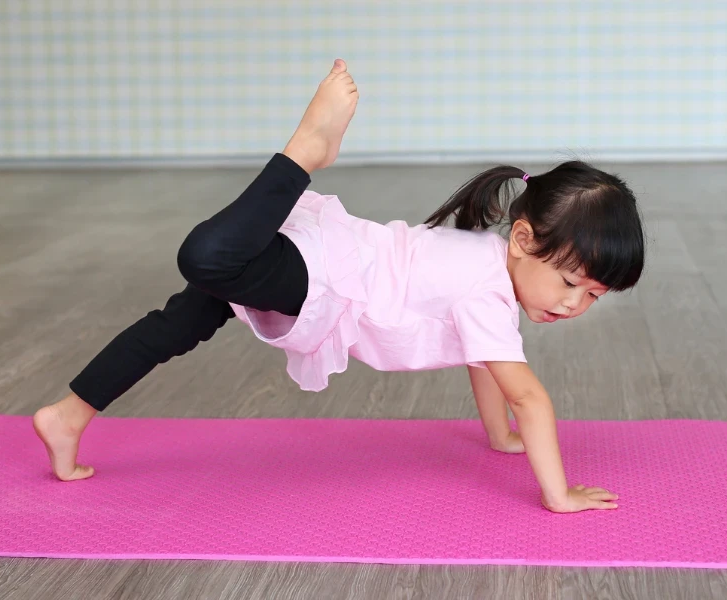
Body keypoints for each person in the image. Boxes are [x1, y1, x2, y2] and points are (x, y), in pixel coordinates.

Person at [34, 59, 644, 514]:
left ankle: (68, 415)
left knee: (181, 321)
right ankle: (302, 154)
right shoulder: (486, 292)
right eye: (569, 282)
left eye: (592, 295)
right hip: (331, 275)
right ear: (521, 238)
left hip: (333, 257)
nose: (573, 304)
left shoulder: (489, 271)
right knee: (207, 258)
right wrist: (557, 493)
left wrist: (499, 438)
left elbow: (486, 365)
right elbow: (529, 396)